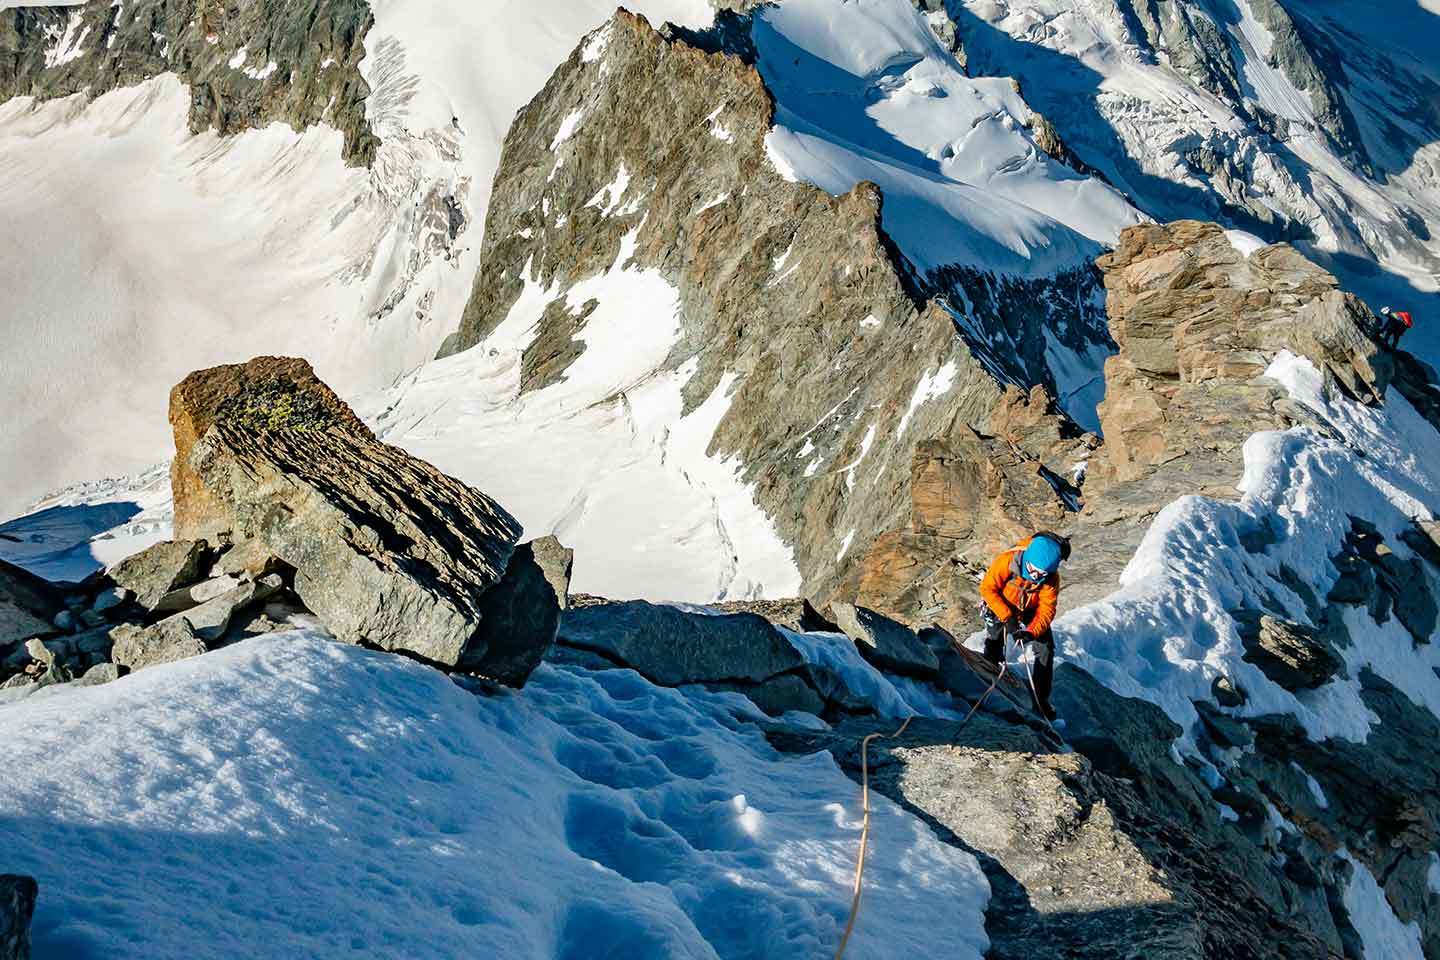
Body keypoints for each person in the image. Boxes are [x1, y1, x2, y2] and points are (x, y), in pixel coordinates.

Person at [979, 532, 1069, 721]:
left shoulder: (1051, 579)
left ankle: (1041, 699)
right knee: (995, 642)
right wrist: (1008, 618)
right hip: (1001, 602)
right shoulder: (1006, 561)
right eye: (1033, 571)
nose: (1036, 577)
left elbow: (1046, 610)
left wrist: (1031, 632)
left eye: (1041, 574)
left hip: (1030, 607)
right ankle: (987, 683)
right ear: (1026, 560)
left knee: (1045, 649)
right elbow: (988, 588)